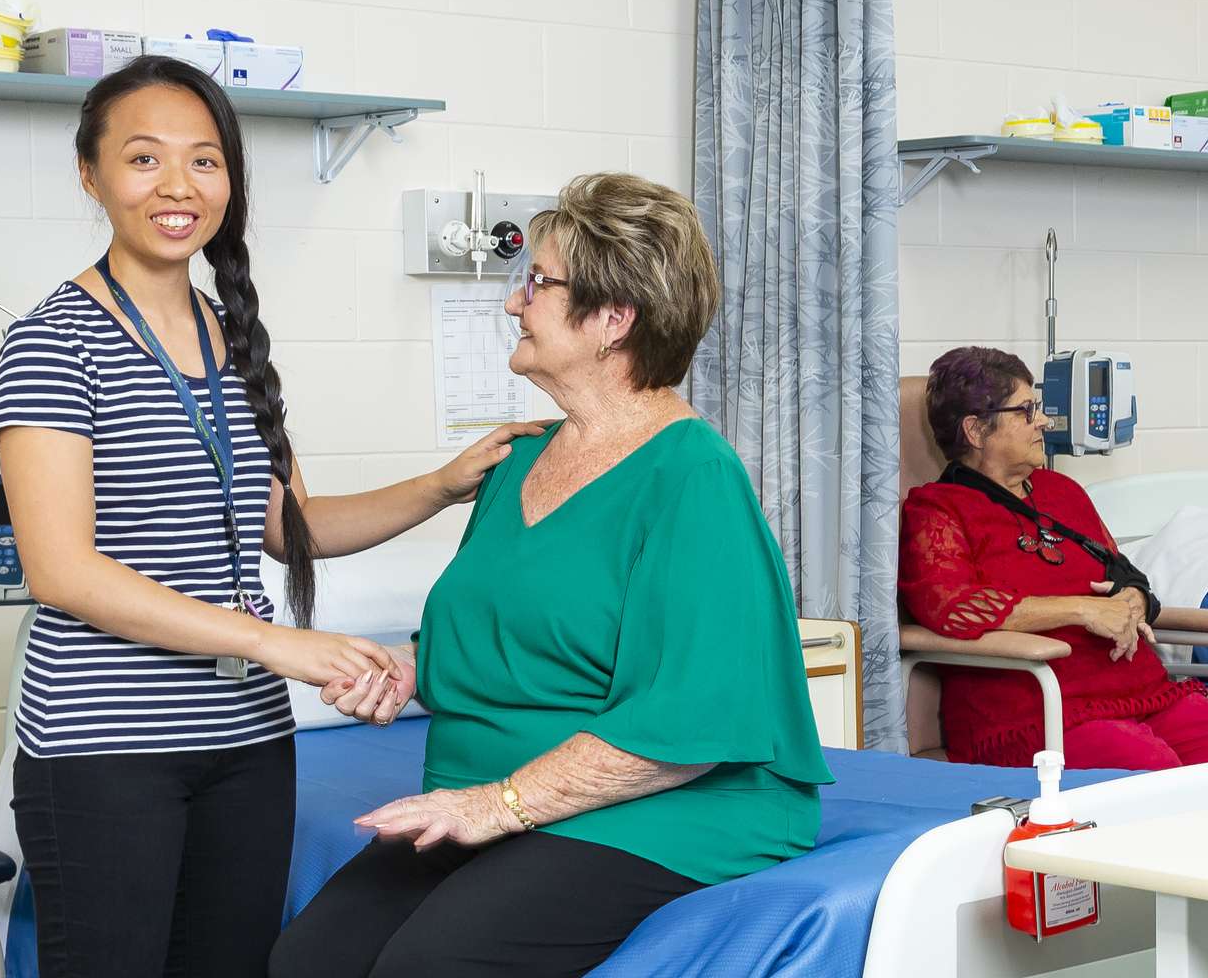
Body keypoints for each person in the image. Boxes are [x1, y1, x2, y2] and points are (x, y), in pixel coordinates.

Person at [0, 54, 538, 977]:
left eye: (204, 161)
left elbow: (288, 529)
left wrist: (442, 484)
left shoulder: (226, 331)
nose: (178, 186)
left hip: (244, 742)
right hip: (106, 749)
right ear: (91, 174)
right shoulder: (52, 341)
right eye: (144, 159)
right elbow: (62, 572)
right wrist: (274, 643)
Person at [271, 173, 834, 978]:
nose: (512, 303)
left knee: (430, 967)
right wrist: (408, 671)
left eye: (536, 282)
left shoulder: (691, 475)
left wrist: (499, 807)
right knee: (305, 964)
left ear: (613, 319)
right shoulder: (518, 459)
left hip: (659, 806)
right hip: (499, 788)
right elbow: (518, 635)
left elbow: (692, 723)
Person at [898, 346, 1208, 771]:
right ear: (975, 430)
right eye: (1026, 410)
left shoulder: (1062, 492)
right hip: (1030, 712)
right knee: (1150, 769)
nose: (1043, 421)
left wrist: (1133, 598)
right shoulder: (937, 509)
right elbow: (951, 608)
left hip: (1139, 695)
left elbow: (1121, 570)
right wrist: (1081, 610)